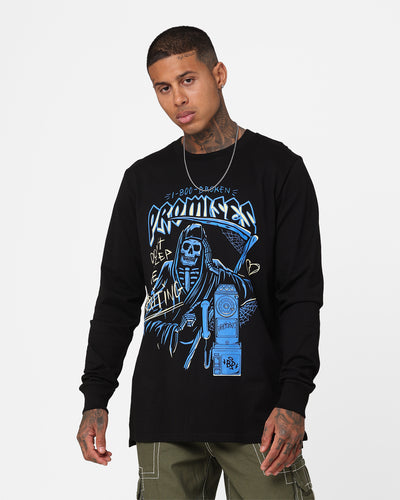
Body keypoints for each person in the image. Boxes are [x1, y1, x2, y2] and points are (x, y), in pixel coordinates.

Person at [76, 25, 324, 500]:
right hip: (165, 416)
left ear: (219, 74)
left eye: (188, 80)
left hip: (259, 418)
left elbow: (300, 297)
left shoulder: (279, 170)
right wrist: (96, 396)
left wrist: (293, 400)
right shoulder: (143, 180)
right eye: (163, 88)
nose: (178, 99)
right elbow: (117, 299)